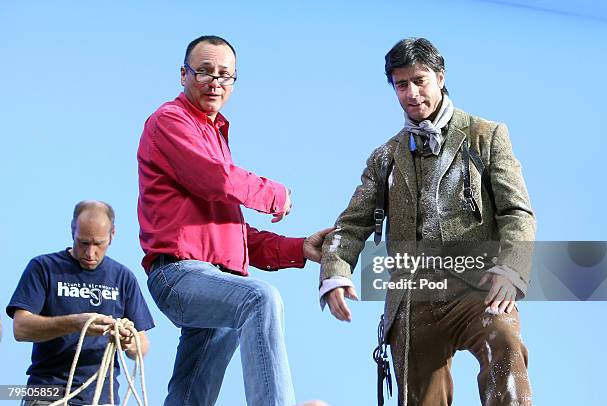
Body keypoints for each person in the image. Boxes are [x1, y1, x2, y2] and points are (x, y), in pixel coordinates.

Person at [320, 38, 536, 405]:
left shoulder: (486, 136)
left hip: (477, 285)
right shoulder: (385, 157)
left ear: (440, 76)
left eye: (420, 80)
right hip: (412, 297)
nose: (412, 92)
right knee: (420, 397)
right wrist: (335, 273)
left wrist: (511, 269)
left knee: (503, 340)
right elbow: (352, 224)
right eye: (401, 85)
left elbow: (517, 212)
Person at [137, 35, 331, 406]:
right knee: (260, 299)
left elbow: (234, 237)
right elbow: (218, 179)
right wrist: (276, 194)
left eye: (225, 75)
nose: (215, 82)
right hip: (179, 276)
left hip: (217, 282)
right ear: (183, 75)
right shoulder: (170, 121)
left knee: (190, 397)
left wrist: (299, 248)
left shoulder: (215, 138)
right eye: (204, 72)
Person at [7, 200, 155, 406]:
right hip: (46, 393)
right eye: (83, 243)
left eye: (98, 244)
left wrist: (128, 341)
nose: (90, 253)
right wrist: (76, 323)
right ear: (72, 231)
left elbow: (142, 345)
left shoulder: (123, 277)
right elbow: (21, 328)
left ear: (112, 235)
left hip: (101, 398)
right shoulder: (43, 267)